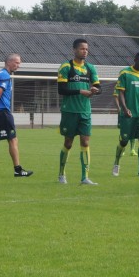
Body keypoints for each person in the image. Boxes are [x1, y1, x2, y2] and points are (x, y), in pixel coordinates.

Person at [0, 54, 32, 179]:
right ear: (9, 62)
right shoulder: (5, 75)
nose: (18, 66)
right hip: (2, 113)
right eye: (17, 63)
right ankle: (18, 170)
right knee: (13, 139)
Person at [57, 38, 101, 185]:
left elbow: (97, 87)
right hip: (69, 111)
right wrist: (80, 91)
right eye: (82, 49)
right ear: (74, 50)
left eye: (87, 49)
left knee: (85, 141)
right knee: (68, 143)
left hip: (85, 111)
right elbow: (61, 90)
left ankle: (85, 177)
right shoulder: (66, 67)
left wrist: (95, 90)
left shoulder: (91, 68)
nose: (85, 51)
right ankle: (61, 174)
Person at [113, 52, 139, 178]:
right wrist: (124, 109)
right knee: (124, 141)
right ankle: (116, 164)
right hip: (128, 113)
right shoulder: (125, 73)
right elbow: (121, 93)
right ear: (135, 60)